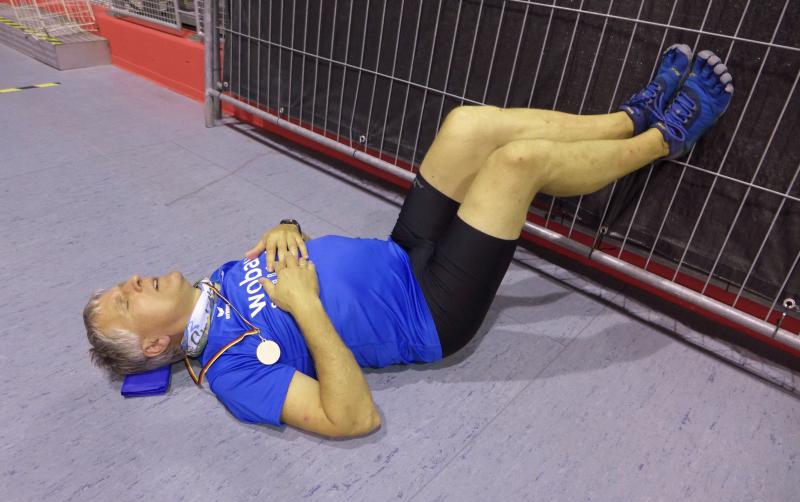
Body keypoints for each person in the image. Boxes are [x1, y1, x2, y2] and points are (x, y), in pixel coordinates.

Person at [84, 45, 733, 438]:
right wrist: (305, 306)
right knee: (515, 165)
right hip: (429, 310)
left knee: (467, 126)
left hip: (400, 253)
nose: (133, 281)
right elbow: (352, 418)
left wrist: (287, 226)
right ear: (155, 344)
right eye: (126, 300)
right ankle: (666, 138)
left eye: (120, 285)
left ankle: (627, 117)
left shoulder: (215, 285)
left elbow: (291, 258)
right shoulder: (232, 375)